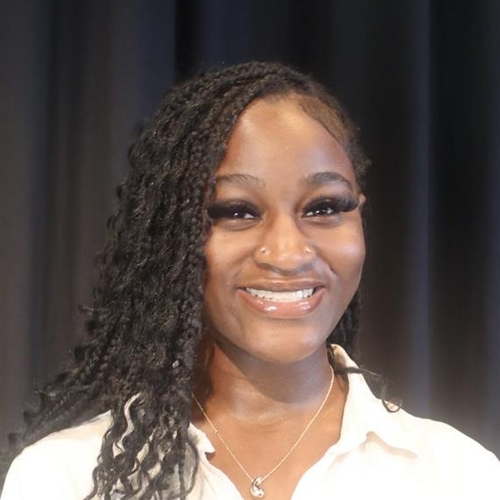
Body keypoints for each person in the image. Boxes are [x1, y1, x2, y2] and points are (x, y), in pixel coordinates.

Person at [1, 61, 498, 500]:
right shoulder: (64, 478)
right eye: (238, 211)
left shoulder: (460, 476)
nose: (288, 254)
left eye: (323, 207)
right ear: (170, 236)